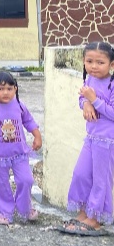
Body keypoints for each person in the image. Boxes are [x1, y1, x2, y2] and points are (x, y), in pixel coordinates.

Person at [0, 71, 42, 225]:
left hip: (19, 154)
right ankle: (2, 210)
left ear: (15, 89)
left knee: (26, 180)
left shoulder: (18, 104)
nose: (6, 92)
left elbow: (29, 121)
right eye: (1, 89)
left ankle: (24, 208)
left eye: (10, 89)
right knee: (1, 184)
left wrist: (37, 136)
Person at [59, 41, 114, 236]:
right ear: (83, 62)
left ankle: (95, 218)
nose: (94, 66)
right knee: (81, 174)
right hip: (91, 138)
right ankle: (84, 212)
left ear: (111, 65)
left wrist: (94, 100)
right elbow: (82, 98)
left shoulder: (112, 84)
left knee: (101, 180)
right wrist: (86, 104)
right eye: (89, 61)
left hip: (107, 142)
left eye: (100, 62)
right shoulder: (89, 79)